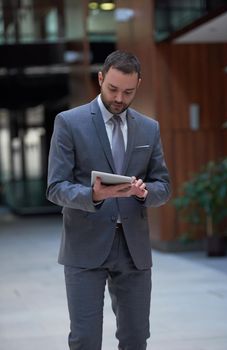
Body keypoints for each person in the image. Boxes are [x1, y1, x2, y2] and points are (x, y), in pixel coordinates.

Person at [47, 50, 171, 350]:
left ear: (138, 84)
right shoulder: (69, 122)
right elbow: (55, 187)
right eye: (112, 89)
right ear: (101, 78)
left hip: (133, 250)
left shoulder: (148, 128)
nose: (119, 98)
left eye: (127, 92)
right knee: (85, 339)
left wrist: (146, 192)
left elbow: (163, 185)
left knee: (136, 339)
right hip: (85, 246)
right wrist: (93, 195)